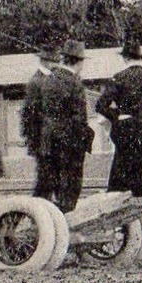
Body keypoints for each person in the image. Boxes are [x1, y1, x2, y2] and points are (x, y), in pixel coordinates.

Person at [96, 35, 142, 197]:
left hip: (126, 137)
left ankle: (126, 222)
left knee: (122, 189)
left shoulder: (118, 79)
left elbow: (100, 105)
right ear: (140, 59)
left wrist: (119, 116)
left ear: (124, 59)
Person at [33, 40, 93, 213]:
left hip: (49, 143)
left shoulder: (47, 80)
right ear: (78, 61)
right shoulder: (75, 83)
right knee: (69, 189)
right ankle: (66, 226)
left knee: (47, 187)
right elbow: (79, 118)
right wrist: (86, 139)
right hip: (70, 144)